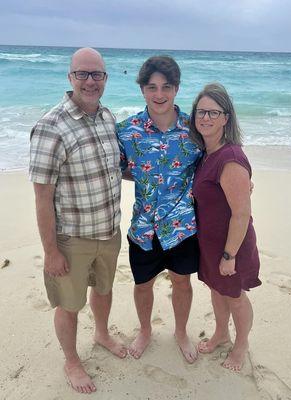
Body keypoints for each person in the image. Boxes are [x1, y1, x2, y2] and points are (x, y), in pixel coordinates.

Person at [29, 47, 127, 394]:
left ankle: (101, 333)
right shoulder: (50, 126)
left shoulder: (107, 117)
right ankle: (72, 360)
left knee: (104, 289)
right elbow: (42, 197)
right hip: (72, 238)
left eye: (96, 74)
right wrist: (50, 251)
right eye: (82, 74)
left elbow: (118, 168)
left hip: (109, 229)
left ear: (105, 79)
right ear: (70, 77)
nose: (89, 81)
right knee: (69, 305)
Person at [116, 56, 201, 363]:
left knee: (182, 281)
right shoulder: (126, 131)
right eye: (151, 86)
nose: (159, 93)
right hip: (144, 227)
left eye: (166, 86)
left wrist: (243, 180)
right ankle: (145, 331)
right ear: (142, 90)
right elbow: (119, 168)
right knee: (143, 284)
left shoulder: (195, 129)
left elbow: (217, 161)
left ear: (176, 88)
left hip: (183, 226)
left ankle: (180, 332)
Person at [190, 83, 261, 371]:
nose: (205, 118)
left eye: (213, 112)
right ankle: (221, 334)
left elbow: (241, 214)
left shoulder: (230, 158)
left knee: (234, 296)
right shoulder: (205, 153)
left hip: (231, 245)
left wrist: (229, 255)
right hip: (209, 242)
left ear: (225, 118)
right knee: (216, 289)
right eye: (200, 112)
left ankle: (241, 344)